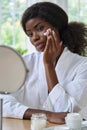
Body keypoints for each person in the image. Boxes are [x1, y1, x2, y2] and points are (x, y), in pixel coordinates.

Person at [0, 1, 87, 124]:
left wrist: (48, 65)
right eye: (29, 34)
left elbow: (66, 114)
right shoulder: (25, 63)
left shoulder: (83, 66)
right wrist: (47, 115)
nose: (34, 37)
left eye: (40, 28)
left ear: (58, 28)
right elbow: (2, 101)